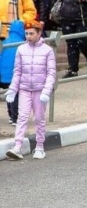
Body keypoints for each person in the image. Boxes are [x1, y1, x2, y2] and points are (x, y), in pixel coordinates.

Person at [4, 21, 55, 160]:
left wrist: (46, 90)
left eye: (31, 33)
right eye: (26, 33)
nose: (28, 36)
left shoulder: (47, 51)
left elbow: (51, 73)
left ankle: (39, 146)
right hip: (25, 89)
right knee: (22, 117)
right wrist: (13, 89)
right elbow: (17, 71)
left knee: (39, 118)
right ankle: (17, 146)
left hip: (40, 90)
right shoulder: (21, 49)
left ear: (39, 33)